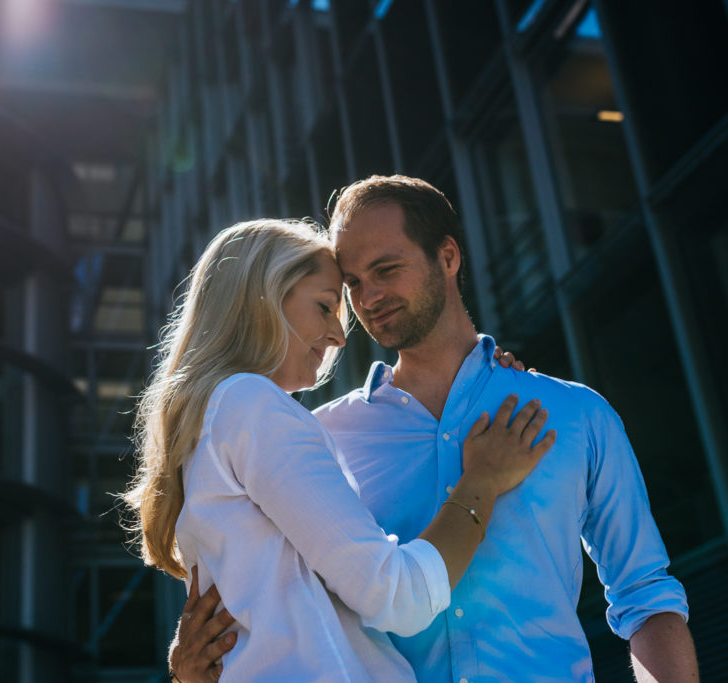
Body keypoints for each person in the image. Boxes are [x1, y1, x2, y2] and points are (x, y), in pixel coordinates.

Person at [170, 176, 698, 683]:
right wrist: (192, 669)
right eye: (351, 283)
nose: (368, 297)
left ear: (447, 256)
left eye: (387, 268)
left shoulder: (574, 414)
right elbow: (273, 601)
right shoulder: (318, 435)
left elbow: (645, 597)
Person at [123, 218, 556, 681]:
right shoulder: (251, 405)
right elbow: (396, 598)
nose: (338, 336)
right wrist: (481, 483)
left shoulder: (216, 418)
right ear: (265, 295)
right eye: (325, 307)